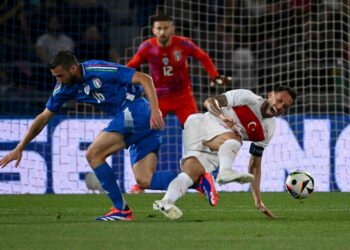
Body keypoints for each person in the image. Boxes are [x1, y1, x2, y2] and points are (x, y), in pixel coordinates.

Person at [0, 50, 169, 221]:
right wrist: (20, 147)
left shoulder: (98, 69)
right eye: (55, 76)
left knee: (93, 154)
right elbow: (43, 117)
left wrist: (155, 111)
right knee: (144, 180)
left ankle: (121, 210)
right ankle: (194, 179)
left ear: (73, 68)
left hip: (136, 109)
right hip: (139, 120)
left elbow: (144, 78)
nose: (58, 80)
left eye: (60, 75)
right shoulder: (64, 88)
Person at [153, 85, 297, 220]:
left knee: (189, 175)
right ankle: (225, 171)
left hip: (213, 147)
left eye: (284, 107)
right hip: (202, 124)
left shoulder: (268, 131)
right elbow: (210, 102)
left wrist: (258, 200)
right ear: (270, 94)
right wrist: (223, 118)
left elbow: (254, 166)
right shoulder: (247, 97)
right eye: (279, 101)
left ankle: (166, 201)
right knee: (236, 137)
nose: (279, 107)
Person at [127, 14, 228, 193]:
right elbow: (132, 65)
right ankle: (142, 181)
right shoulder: (147, 47)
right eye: (159, 28)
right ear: (153, 30)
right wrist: (121, 79)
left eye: (166, 28)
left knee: (199, 135)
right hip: (159, 100)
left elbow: (203, 57)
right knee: (145, 132)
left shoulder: (183, 44)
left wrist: (214, 76)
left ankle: (201, 176)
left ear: (172, 29)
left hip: (183, 98)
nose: (162, 32)